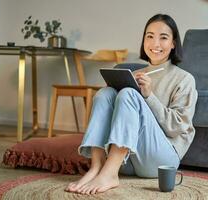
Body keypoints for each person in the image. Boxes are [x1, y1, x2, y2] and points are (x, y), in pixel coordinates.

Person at [65, 13, 198, 195]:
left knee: (129, 93)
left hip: (161, 160)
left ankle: (109, 175)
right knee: (105, 93)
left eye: (163, 37)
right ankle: (97, 167)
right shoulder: (136, 73)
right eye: (149, 36)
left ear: (174, 43)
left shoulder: (184, 79)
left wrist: (149, 96)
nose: (155, 43)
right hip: (127, 160)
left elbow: (177, 128)